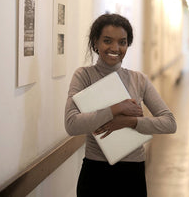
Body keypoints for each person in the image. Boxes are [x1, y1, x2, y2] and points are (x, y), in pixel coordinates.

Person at [64, 13, 177, 197]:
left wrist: (129, 122)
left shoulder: (138, 79)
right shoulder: (84, 76)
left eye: (122, 42)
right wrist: (116, 109)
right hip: (95, 172)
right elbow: (71, 124)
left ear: (127, 44)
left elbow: (170, 123)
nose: (115, 48)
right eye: (107, 40)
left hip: (132, 173)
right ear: (96, 42)